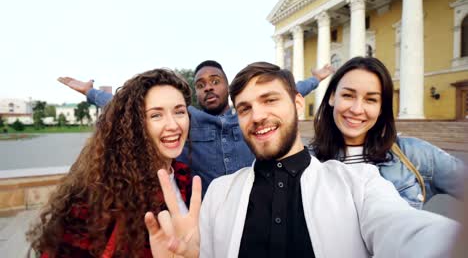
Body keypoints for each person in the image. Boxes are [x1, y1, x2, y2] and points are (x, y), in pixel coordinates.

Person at [144, 62, 459, 258]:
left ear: (297, 103)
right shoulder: (219, 194)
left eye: (270, 100)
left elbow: (403, 229)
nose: (258, 116)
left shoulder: (358, 182)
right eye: (244, 109)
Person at [58, 61, 334, 194]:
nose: (208, 87)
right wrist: (90, 93)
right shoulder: (186, 119)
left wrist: (316, 80)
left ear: (228, 87)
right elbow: (134, 106)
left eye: (215, 81)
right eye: (200, 85)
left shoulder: (248, 115)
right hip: (206, 213)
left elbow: (286, 91)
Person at [27, 69, 200, 257]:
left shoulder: (184, 177)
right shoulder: (99, 194)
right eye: (156, 115)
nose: (174, 125)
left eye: (179, 112)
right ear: (136, 124)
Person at [311, 56, 465, 209]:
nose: (357, 109)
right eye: (348, 95)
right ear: (332, 97)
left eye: (371, 99)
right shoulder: (307, 162)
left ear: (381, 108)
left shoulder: (415, 154)